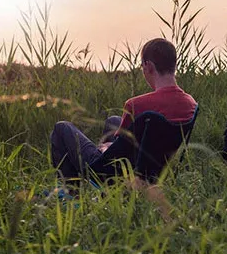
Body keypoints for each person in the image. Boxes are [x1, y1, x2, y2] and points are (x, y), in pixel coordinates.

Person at [50, 38, 197, 179]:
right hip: (155, 171)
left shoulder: (136, 105)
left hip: (114, 173)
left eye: (142, 67)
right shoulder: (191, 104)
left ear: (149, 66)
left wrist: (104, 149)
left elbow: (121, 158)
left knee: (62, 128)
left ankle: (70, 192)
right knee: (113, 120)